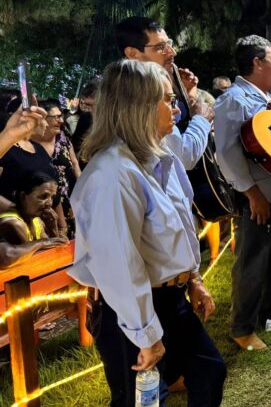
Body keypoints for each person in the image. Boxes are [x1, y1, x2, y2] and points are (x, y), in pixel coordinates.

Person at [68, 60, 226, 406]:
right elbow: (119, 264)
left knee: (209, 371)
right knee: (142, 400)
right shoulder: (112, 172)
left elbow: (181, 223)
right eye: (168, 100)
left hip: (168, 298)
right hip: (129, 307)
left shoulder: (154, 157)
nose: (177, 108)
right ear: (139, 107)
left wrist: (193, 278)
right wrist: (145, 333)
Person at [214, 35, 271, 352]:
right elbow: (226, 153)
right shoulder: (234, 99)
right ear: (256, 62)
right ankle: (242, 328)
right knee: (252, 262)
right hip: (258, 197)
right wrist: (252, 194)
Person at [116, 16, 213, 170]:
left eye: (169, 43)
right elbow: (183, 156)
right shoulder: (139, 95)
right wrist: (202, 120)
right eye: (161, 47)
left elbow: (177, 120)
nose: (172, 52)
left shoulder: (164, 80)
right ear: (133, 53)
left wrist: (188, 96)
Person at [32, 99, 81, 238]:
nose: (61, 121)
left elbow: (75, 163)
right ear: (43, 119)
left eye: (61, 116)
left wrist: (84, 186)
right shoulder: (31, 144)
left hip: (69, 198)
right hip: (46, 204)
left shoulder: (63, 139)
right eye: (56, 117)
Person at [0, 171, 67, 267]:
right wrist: (43, 242)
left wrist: (53, 228)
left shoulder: (37, 220)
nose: (49, 203)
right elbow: (36, 260)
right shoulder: (13, 223)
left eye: (52, 197)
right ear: (23, 197)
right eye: (44, 197)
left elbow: (53, 249)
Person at [70, 78, 100, 160]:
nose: (89, 109)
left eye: (90, 105)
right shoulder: (86, 118)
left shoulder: (117, 125)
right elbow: (75, 144)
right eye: (86, 105)